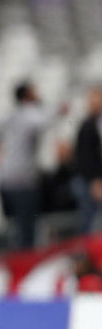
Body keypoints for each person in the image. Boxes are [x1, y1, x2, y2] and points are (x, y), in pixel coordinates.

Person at [0, 82, 55, 248]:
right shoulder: (30, 113)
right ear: (27, 95)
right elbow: (44, 121)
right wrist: (46, 105)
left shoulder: (11, 114)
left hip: (6, 180)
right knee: (27, 233)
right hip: (24, 182)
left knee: (15, 229)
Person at [73, 85, 102, 233]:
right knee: (89, 223)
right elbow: (85, 156)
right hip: (89, 181)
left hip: (90, 180)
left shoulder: (93, 124)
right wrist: (94, 180)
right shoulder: (88, 125)